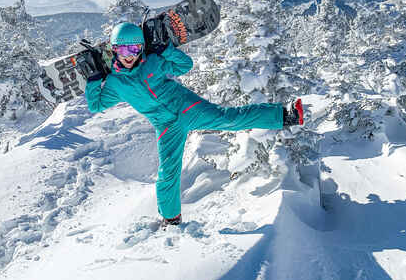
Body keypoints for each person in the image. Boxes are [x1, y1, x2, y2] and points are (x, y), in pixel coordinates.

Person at [80, 22, 304, 228]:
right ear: (114, 50)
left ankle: (286, 116)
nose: (129, 56)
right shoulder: (115, 83)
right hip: (167, 126)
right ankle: (171, 218)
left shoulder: (153, 62)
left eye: (135, 49)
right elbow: (96, 104)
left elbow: (185, 65)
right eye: (123, 50)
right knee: (168, 172)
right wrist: (94, 79)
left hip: (188, 108)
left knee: (228, 119)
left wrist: (164, 49)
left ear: (141, 49)